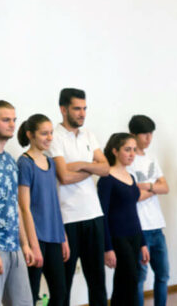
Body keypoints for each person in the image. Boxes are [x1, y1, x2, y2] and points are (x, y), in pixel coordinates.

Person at [48, 88, 109, 306]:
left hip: (94, 215)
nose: (82, 113)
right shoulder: (54, 137)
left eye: (84, 108)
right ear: (63, 110)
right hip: (67, 218)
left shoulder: (89, 135)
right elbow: (63, 176)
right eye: (77, 108)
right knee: (63, 286)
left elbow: (106, 168)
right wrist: (92, 167)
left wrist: (82, 165)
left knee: (98, 283)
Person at [17, 114, 69, 305]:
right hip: (35, 238)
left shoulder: (51, 162)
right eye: (44, 134)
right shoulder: (24, 163)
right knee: (31, 294)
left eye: (51, 133)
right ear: (30, 135)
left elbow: (54, 203)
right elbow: (24, 207)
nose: (49, 138)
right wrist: (33, 245)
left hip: (54, 237)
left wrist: (63, 237)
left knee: (60, 293)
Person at [0, 100, 34, 306]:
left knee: (23, 302)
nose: (12, 125)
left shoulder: (9, 160)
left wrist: (24, 244)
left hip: (14, 246)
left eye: (14, 120)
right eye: (5, 120)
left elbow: (14, 204)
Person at [99, 133, 150, 305]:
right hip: (118, 237)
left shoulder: (131, 177)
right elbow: (103, 215)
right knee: (130, 278)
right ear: (115, 151)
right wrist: (108, 248)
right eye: (127, 150)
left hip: (134, 235)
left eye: (134, 150)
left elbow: (134, 211)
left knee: (125, 281)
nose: (132, 154)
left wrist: (143, 242)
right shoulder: (106, 179)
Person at [126, 115, 170, 306]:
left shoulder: (151, 158)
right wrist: (154, 186)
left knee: (163, 275)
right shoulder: (128, 160)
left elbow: (166, 187)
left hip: (157, 225)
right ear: (133, 134)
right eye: (145, 134)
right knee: (139, 278)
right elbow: (133, 195)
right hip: (139, 227)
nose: (149, 138)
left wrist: (146, 186)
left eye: (151, 134)